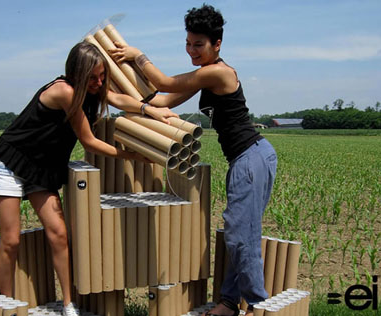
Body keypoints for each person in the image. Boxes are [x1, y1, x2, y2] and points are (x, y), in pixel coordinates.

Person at [0, 41, 178, 316]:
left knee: (59, 235)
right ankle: (5, 305)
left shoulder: (92, 88)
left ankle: (68, 304)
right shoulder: (65, 92)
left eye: (102, 76)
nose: (99, 83)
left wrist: (150, 110)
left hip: (40, 170)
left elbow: (117, 99)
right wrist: (134, 156)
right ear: (76, 73)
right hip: (9, 163)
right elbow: (89, 142)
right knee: (11, 240)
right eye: (93, 78)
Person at [111, 4, 277, 316]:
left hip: (252, 156)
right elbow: (159, 99)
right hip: (242, 161)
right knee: (237, 230)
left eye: (198, 45)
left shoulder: (218, 72)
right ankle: (229, 303)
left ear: (217, 44)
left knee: (242, 232)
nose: (191, 50)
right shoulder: (205, 76)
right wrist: (117, 86)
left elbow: (163, 83)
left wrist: (137, 56)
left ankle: (257, 304)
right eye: (187, 44)